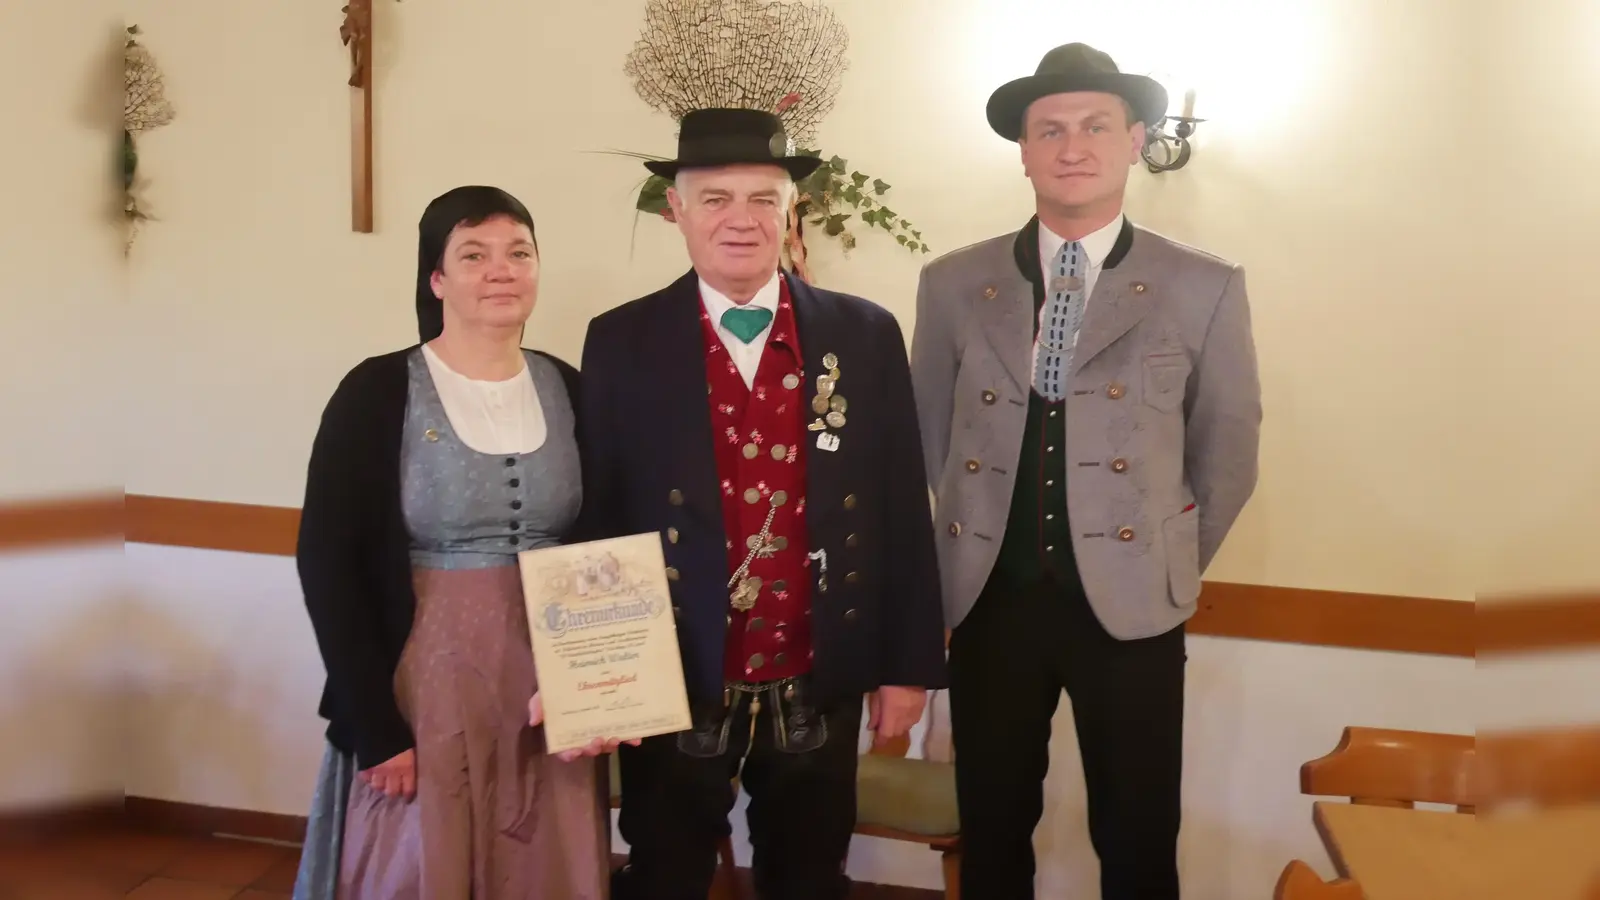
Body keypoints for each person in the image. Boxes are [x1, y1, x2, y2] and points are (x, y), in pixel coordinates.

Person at [909, 43, 1263, 900]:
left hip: (1134, 612)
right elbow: (926, 435)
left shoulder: (1203, 285)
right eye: (1051, 130)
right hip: (989, 605)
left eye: (1096, 126)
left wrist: (1165, 560)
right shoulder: (953, 283)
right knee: (991, 830)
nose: (1073, 147)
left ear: (1136, 141)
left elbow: (1228, 450)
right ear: (1024, 152)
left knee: (1138, 839)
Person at [576, 108, 949, 900]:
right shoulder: (618, 340)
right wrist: (600, 678)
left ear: (791, 211)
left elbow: (900, 510)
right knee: (663, 876)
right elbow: (599, 520)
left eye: (762, 199)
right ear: (675, 210)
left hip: (821, 665)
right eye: (715, 199)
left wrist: (908, 670)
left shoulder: (866, 334)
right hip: (676, 671)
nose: (740, 220)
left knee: (809, 877)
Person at [291, 185, 631, 900]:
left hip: (547, 678)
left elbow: (604, 542)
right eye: (474, 255)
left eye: (519, 252)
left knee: (545, 866)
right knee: (418, 865)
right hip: (423, 681)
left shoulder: (573, 388)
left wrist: (600, 691)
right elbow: (328, 564)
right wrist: (374, 727)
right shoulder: (377, 391)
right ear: (437, 279)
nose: (501, 270)